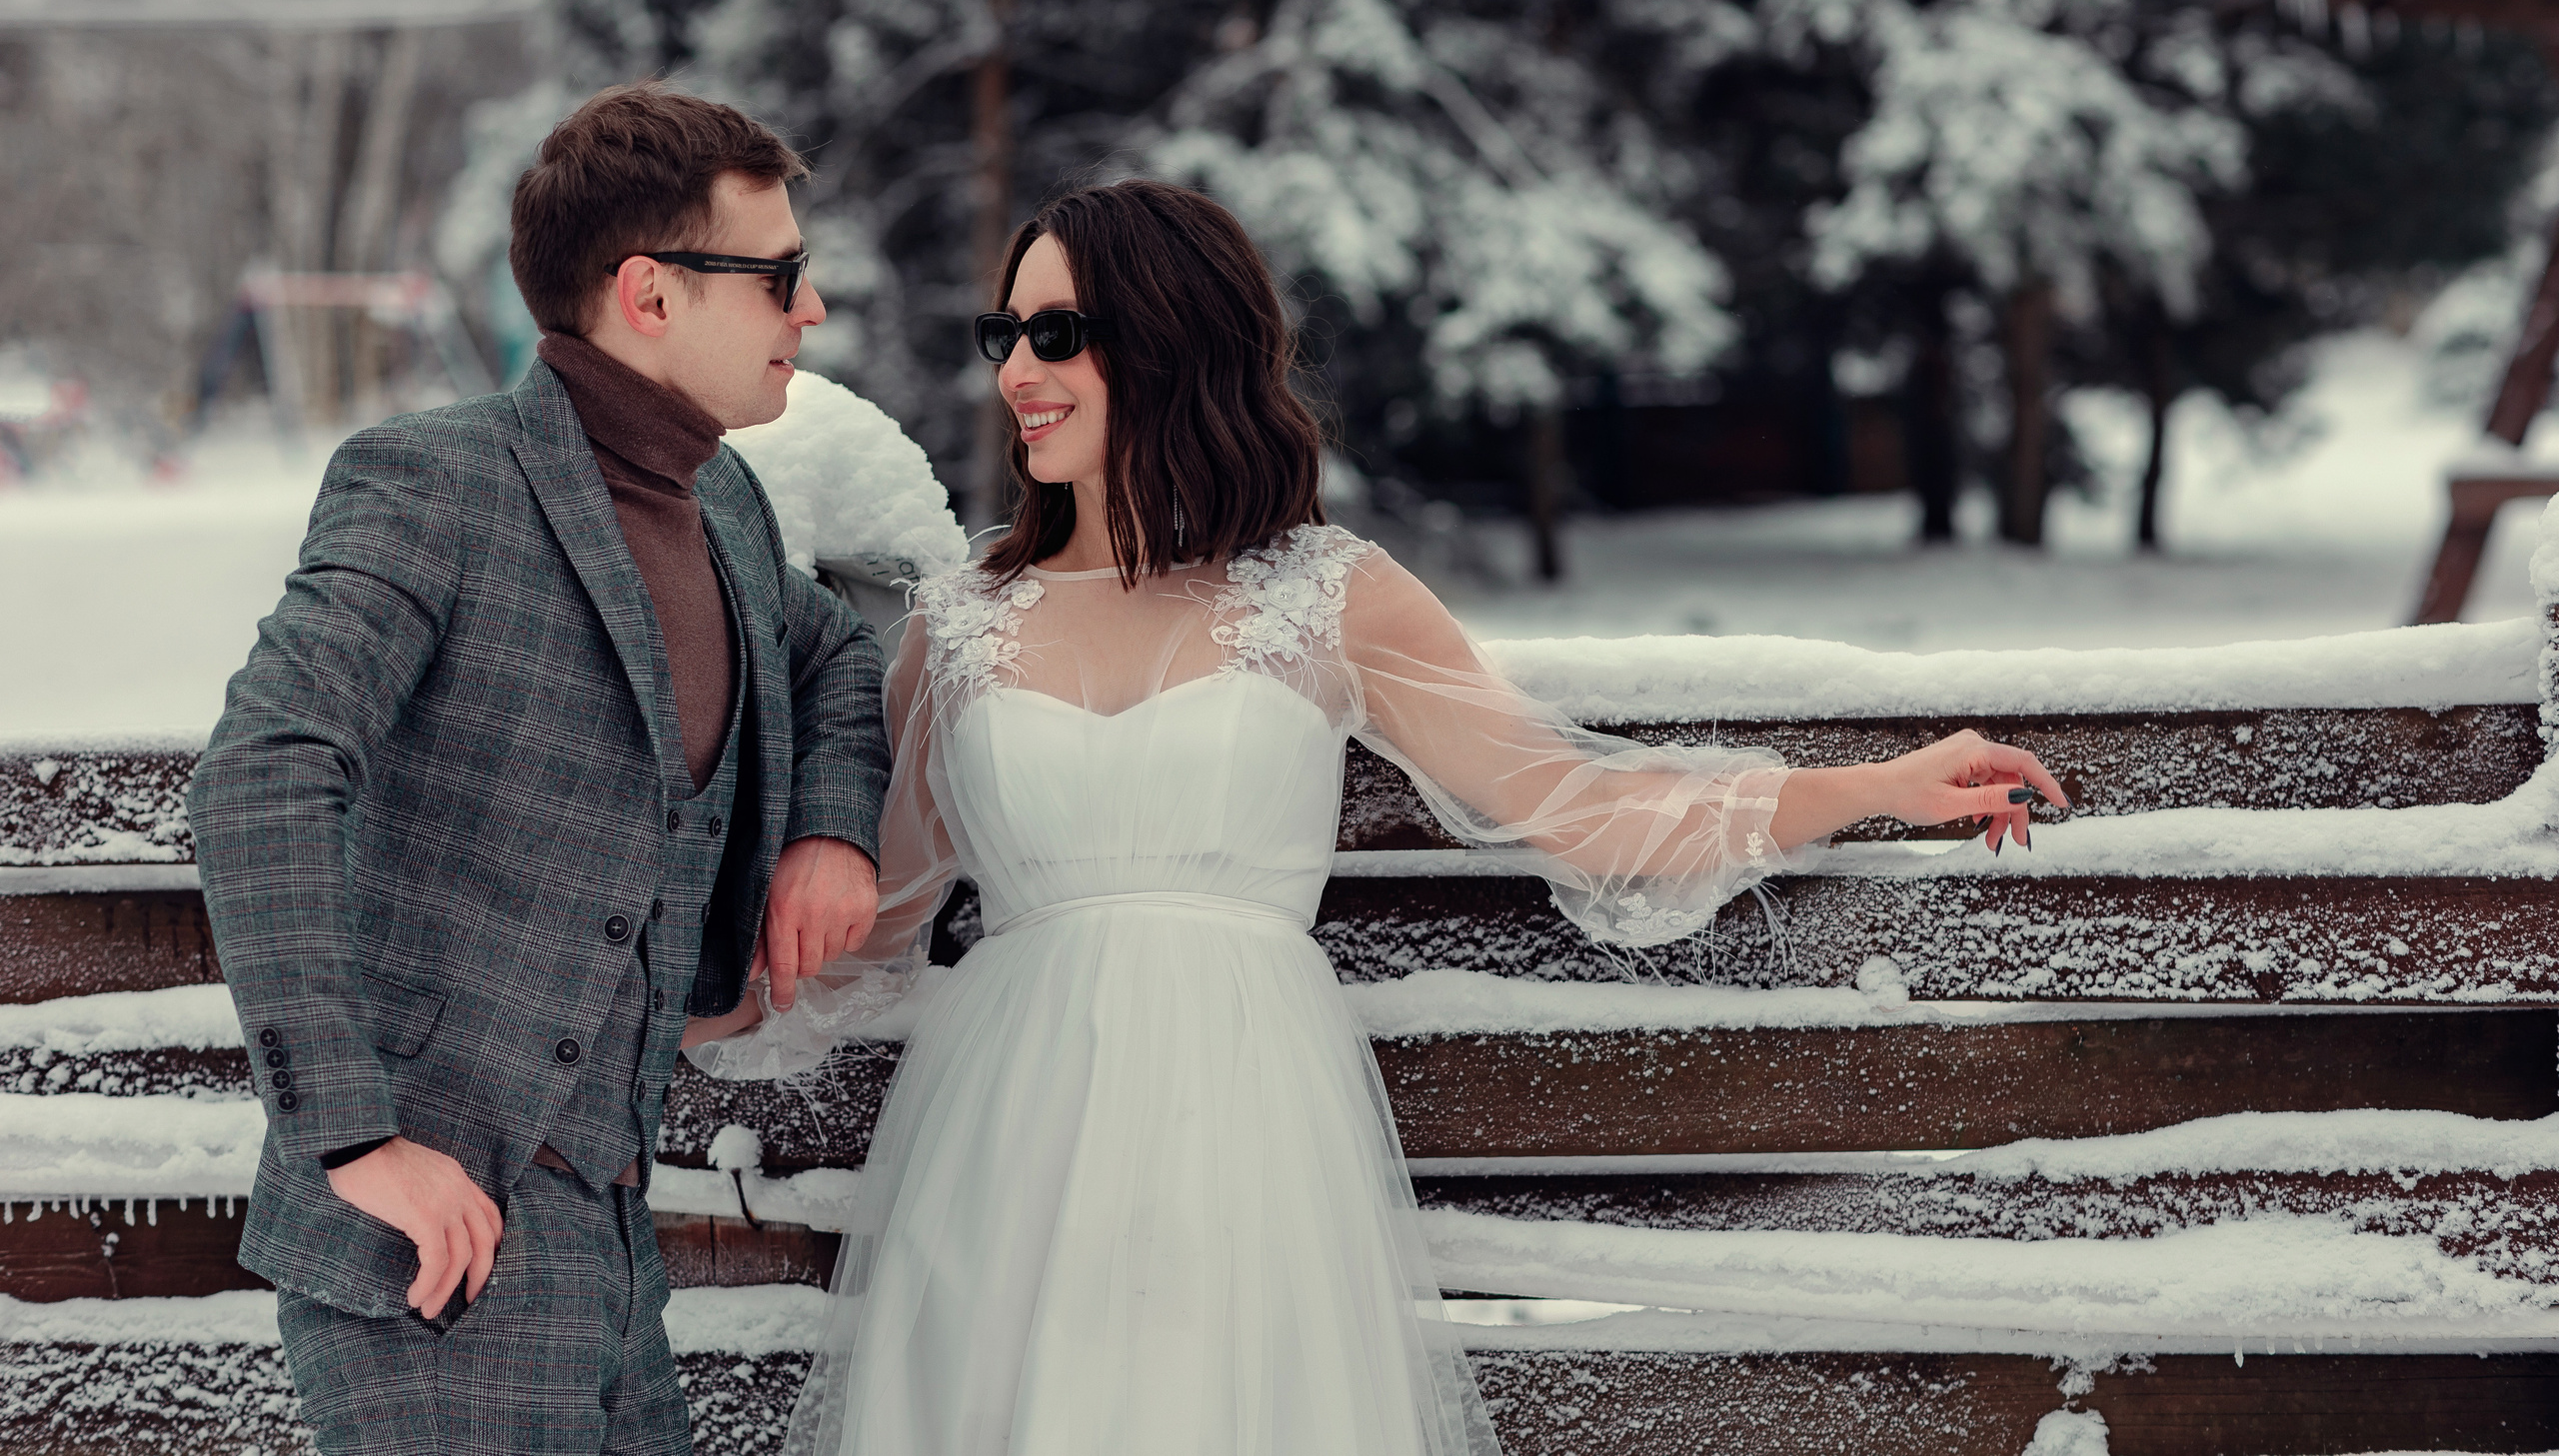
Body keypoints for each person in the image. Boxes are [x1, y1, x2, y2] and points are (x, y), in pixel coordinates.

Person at [688, 179, 2068, 1456]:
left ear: (1172, 342)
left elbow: (1570, 802)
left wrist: (1875, 787)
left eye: (1057, 332)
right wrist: (669, 1002)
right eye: (1006, 331)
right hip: (1007, 1133)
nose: (1016, 374)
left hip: (1248, 1117)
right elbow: (875, 915)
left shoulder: (1330, 595)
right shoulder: (959, 624)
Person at [190, 82, 893, 1455]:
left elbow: (834, 658)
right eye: (780, 275)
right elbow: (261, 774)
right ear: (650, 294)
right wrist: (351, 1141)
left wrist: (830, 830)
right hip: (438, 1233)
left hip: (613, 1239)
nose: (808, 310)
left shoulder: (727, 507)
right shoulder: (435, 483)